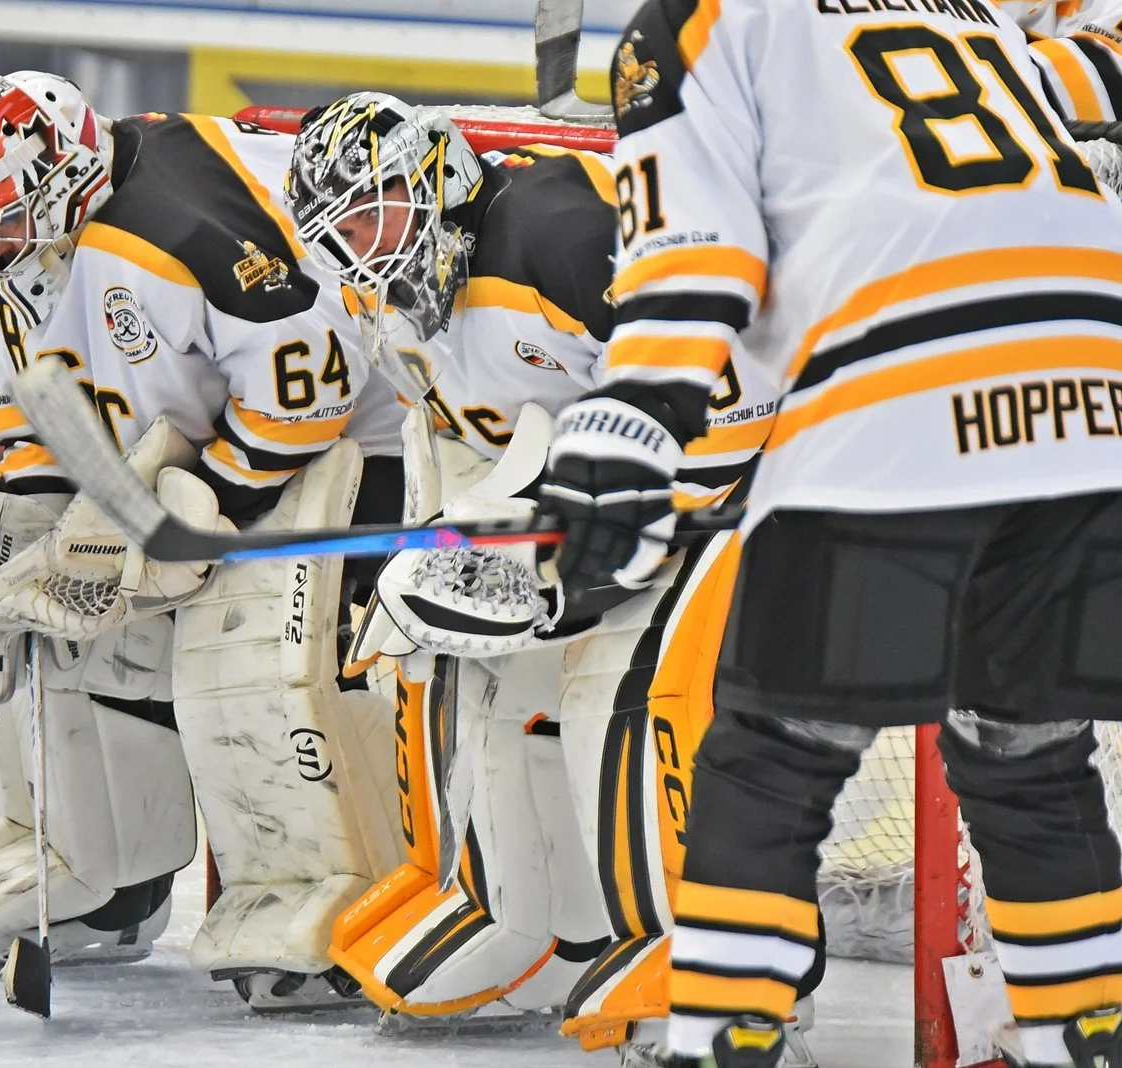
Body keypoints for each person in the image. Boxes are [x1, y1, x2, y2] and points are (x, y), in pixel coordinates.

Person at [537, 0, 1122, 1063]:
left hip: (901, 386)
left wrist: (626, 430)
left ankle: (725, 1042)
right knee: (1030, 754)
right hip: (1092, 391)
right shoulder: (969, 11)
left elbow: (693, 262)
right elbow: (1085, 78)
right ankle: (1085, 1039)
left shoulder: (688, 23)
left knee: (771, 761)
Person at [283, 92, 799, 1064]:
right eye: (335, 229)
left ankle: (704, 952)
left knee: (620, 701)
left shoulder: (558, 239)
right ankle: (522, 924)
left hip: (738, 489)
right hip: (584, 509)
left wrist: (595, 553)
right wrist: (450, 547)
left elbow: (735, 387)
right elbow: (450, 434)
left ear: (433, 176)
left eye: (371, 209)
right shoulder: (391, 294)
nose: (357, 246)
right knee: (477, 680)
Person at [0, 71, 407, 1009]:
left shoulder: (186, 230)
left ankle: (330, 887)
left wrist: (201, 504)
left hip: (345, 446)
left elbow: (317, 396)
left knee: (253, 661)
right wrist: (34, 532)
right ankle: (109, 882)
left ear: (66, 187)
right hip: (185, 446)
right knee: (67, 630)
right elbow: (32, 415)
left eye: (9, 224)